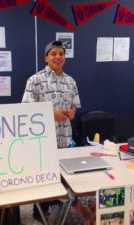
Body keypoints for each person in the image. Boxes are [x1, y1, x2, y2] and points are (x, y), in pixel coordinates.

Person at [22, 40, 81, 221]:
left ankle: (59, 205)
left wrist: (72, 112)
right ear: (46, 57)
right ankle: (40, 211)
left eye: (61, 54)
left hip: (64, 137)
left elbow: (74, 106)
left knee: (62, 174)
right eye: (53, 54)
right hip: (43, 139)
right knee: (43, 175)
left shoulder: (70, 81)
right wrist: (51, 114)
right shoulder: (35, 80)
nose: (58, 57)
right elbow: (26, 110)